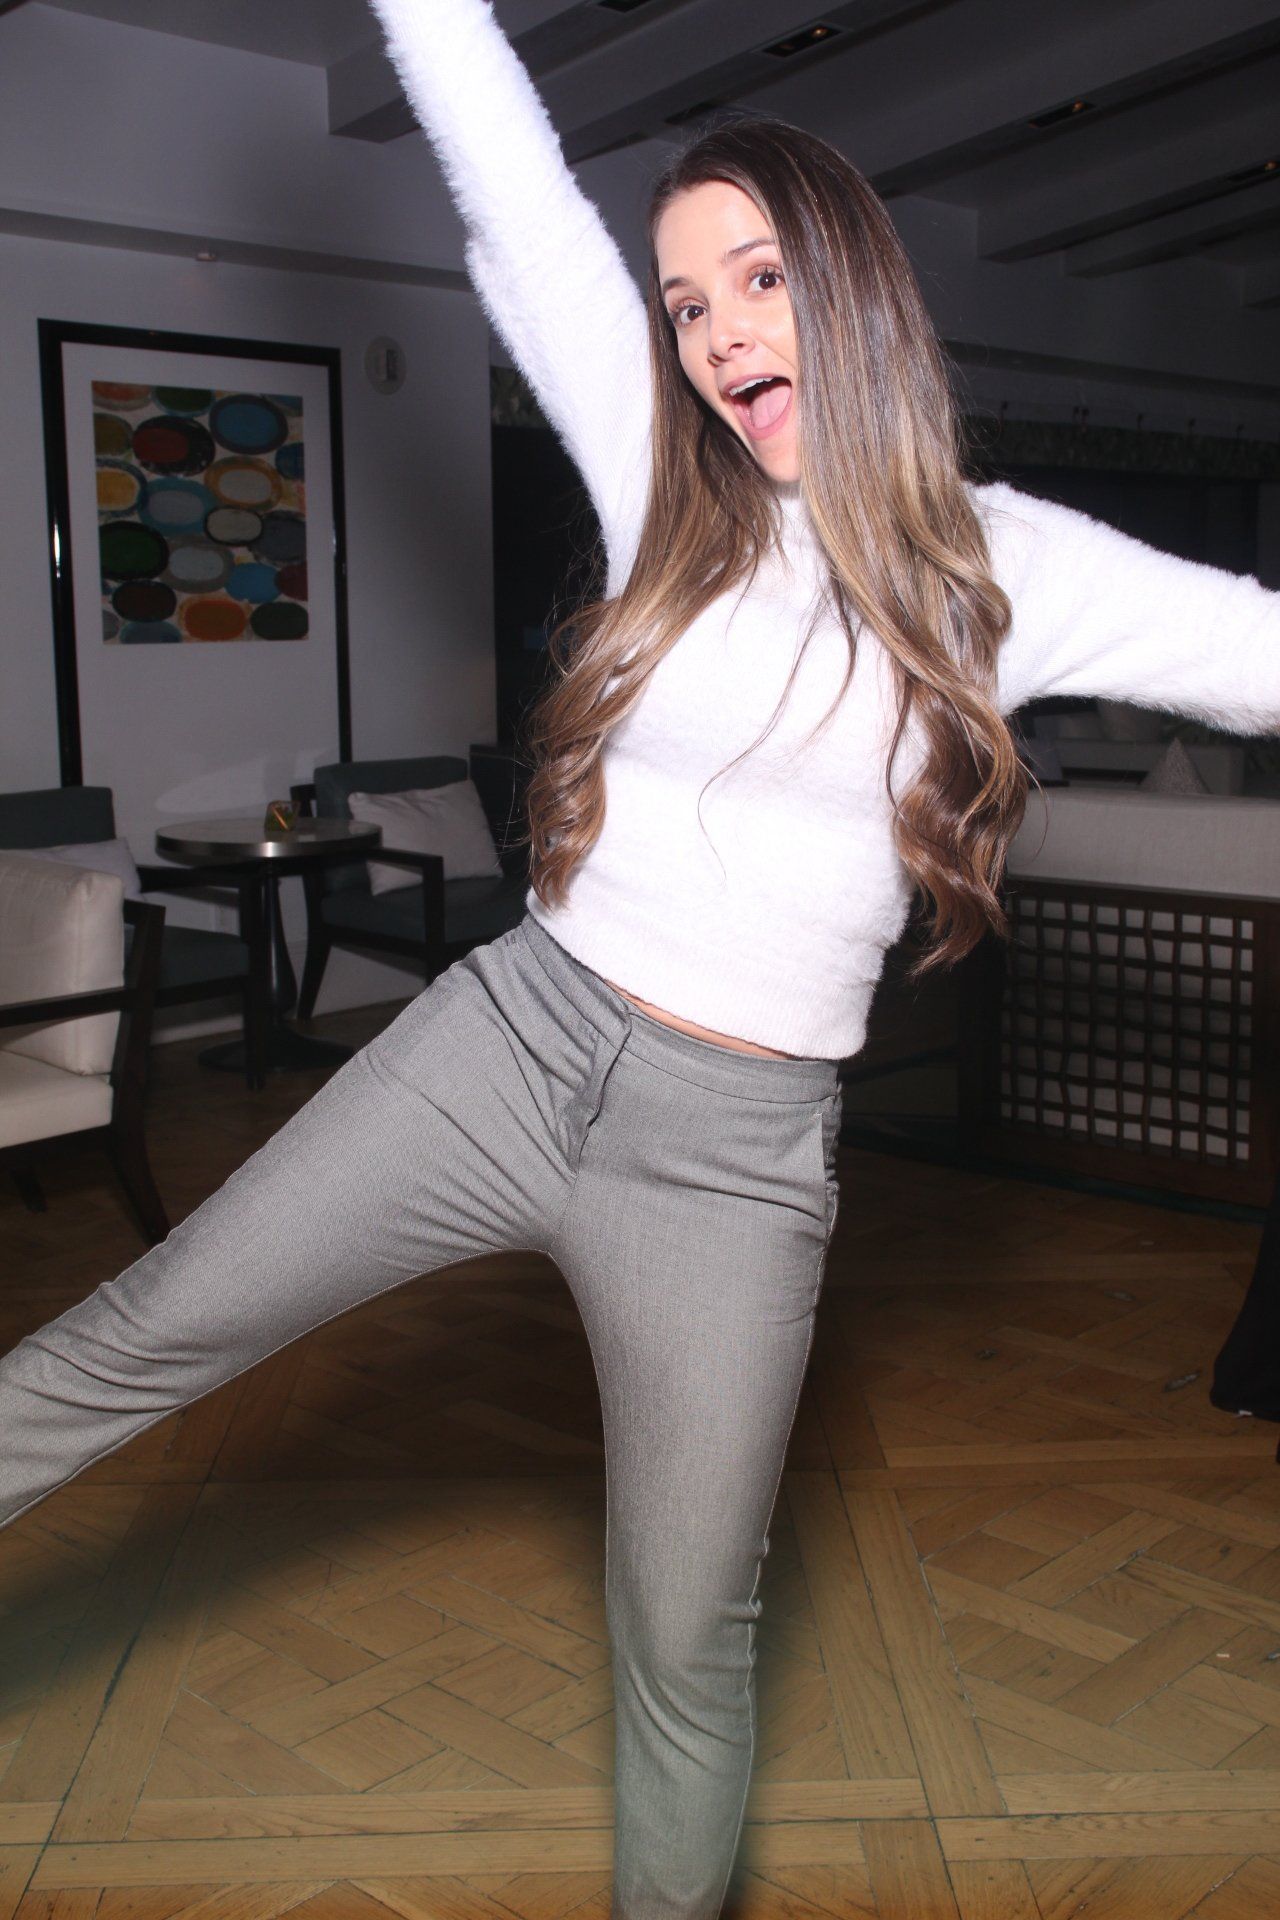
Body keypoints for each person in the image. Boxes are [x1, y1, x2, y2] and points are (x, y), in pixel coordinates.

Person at [3, 1, 1280, 1912]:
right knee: (143, 1331)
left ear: (852, 286)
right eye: (686, 304)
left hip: (732, 1165)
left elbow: (1265, 648)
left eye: (757, 279)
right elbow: (514, 189)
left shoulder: (1006, 570)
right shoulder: (663, 485)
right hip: (507, 1045)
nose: (718, 333)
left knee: (687, 1636)